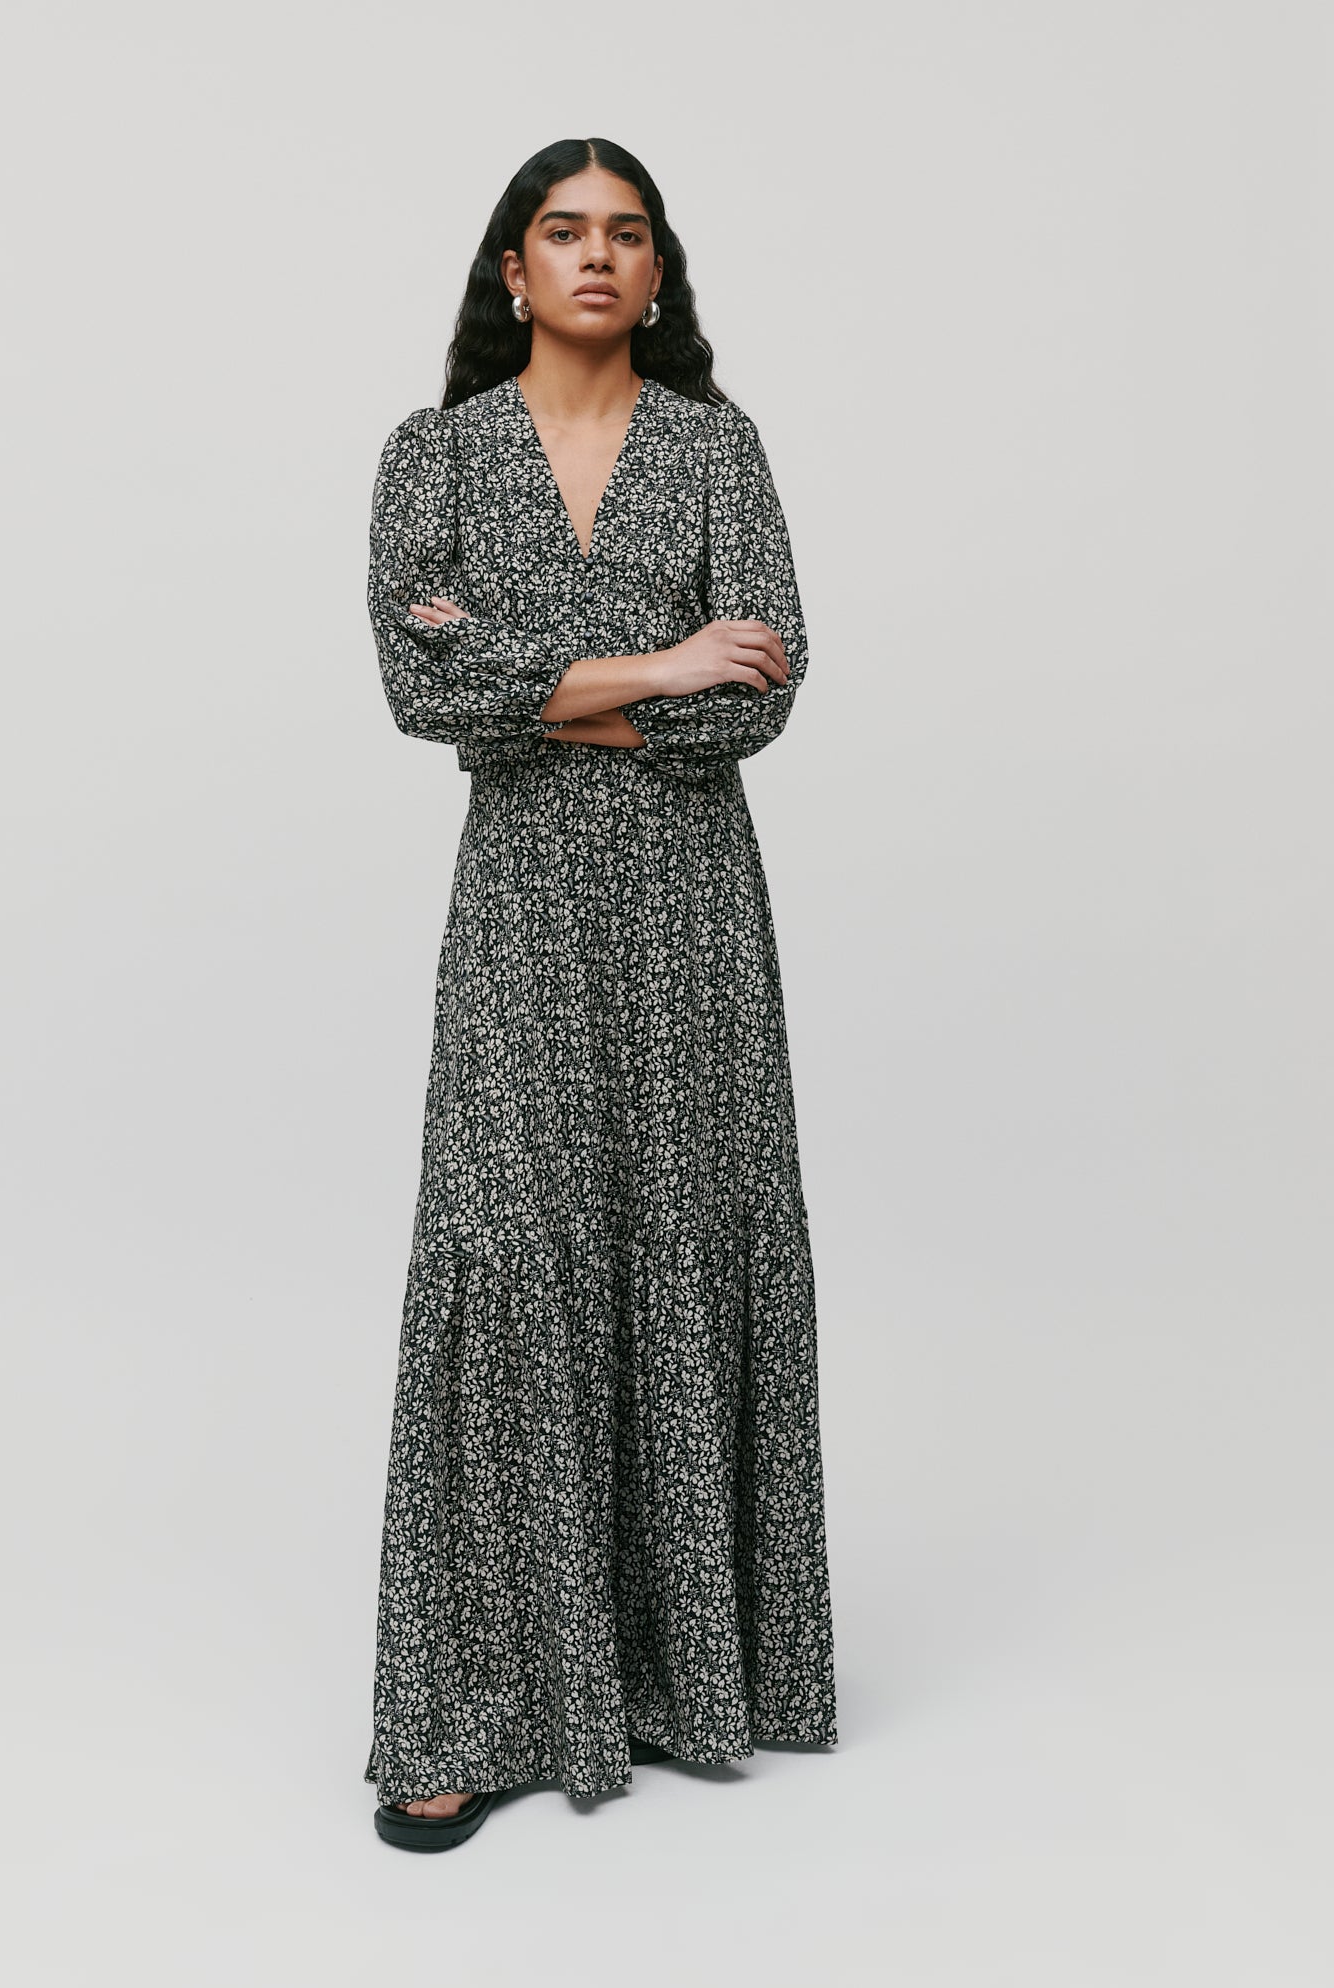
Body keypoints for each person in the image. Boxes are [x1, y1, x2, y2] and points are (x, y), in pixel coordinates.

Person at [365, 136, 837, 1853]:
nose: (594, 256)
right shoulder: (434, 456)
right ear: (511, 268)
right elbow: (420, 687)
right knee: (506, 1252)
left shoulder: (722, 450)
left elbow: (766, 687)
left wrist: (536, 685)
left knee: (680, 1234)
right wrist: (654, 667)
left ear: (659, 272)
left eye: (626, 234)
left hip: (695, 927)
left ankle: (683, 1676)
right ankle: (468, 1706)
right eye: (561, 231)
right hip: (521, 919)